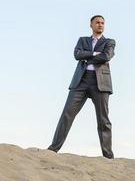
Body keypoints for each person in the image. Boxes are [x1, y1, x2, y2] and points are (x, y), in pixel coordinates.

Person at [47, 15, 115, 159]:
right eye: (97, 22)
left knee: (103, 120)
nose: (100, 25)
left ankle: (108, 156)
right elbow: (77, 55)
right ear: (91, 25)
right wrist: (95, 54)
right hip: (81, 82)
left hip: (100, 84)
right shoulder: (82, 40)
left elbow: (106, 56)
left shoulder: (109, 42)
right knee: (67, 114)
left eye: (102, 23)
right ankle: (53, 149)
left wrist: (87, 55)